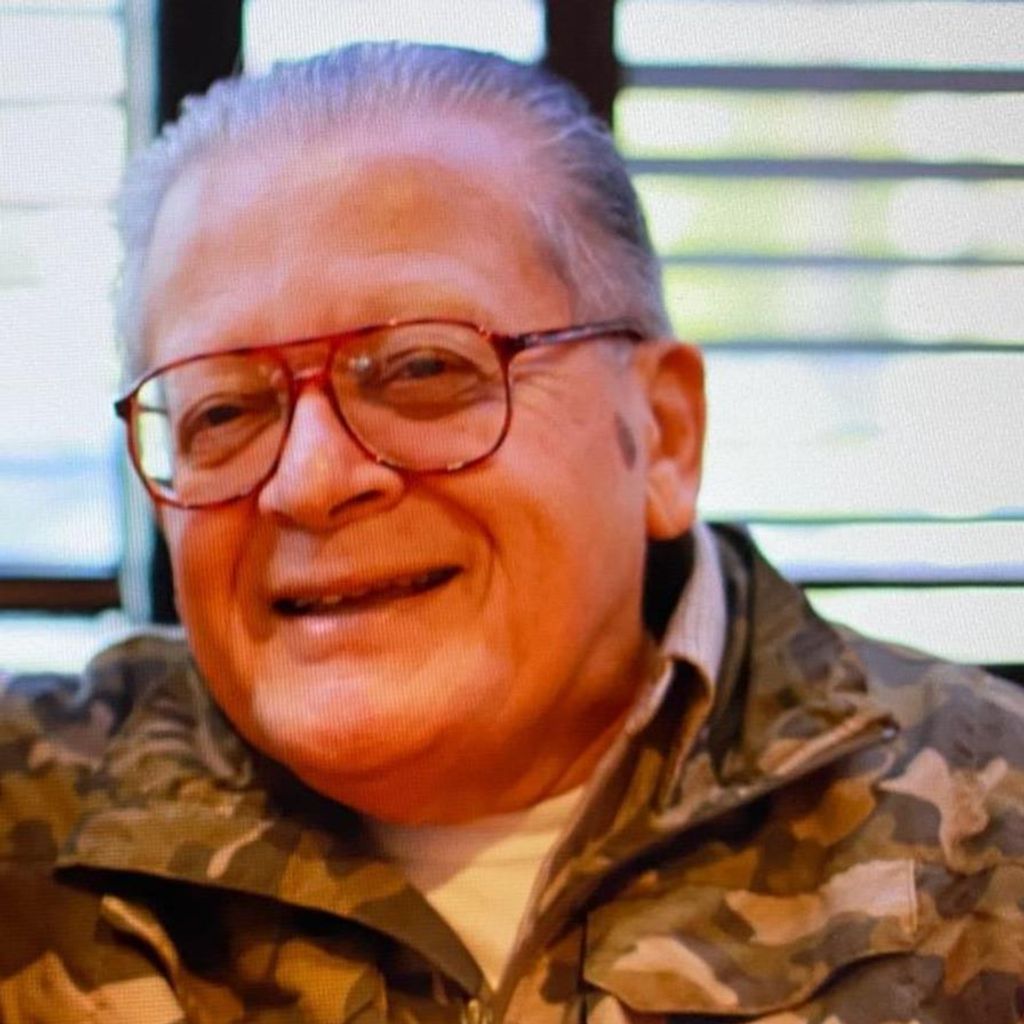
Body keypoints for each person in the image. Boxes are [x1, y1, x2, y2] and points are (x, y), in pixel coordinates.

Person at [1, 42, 1022, 1024]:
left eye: (423, 369)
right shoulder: (29, 828)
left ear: (663, 434)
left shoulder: (990, 834)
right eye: (223, 411)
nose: (309, 483)